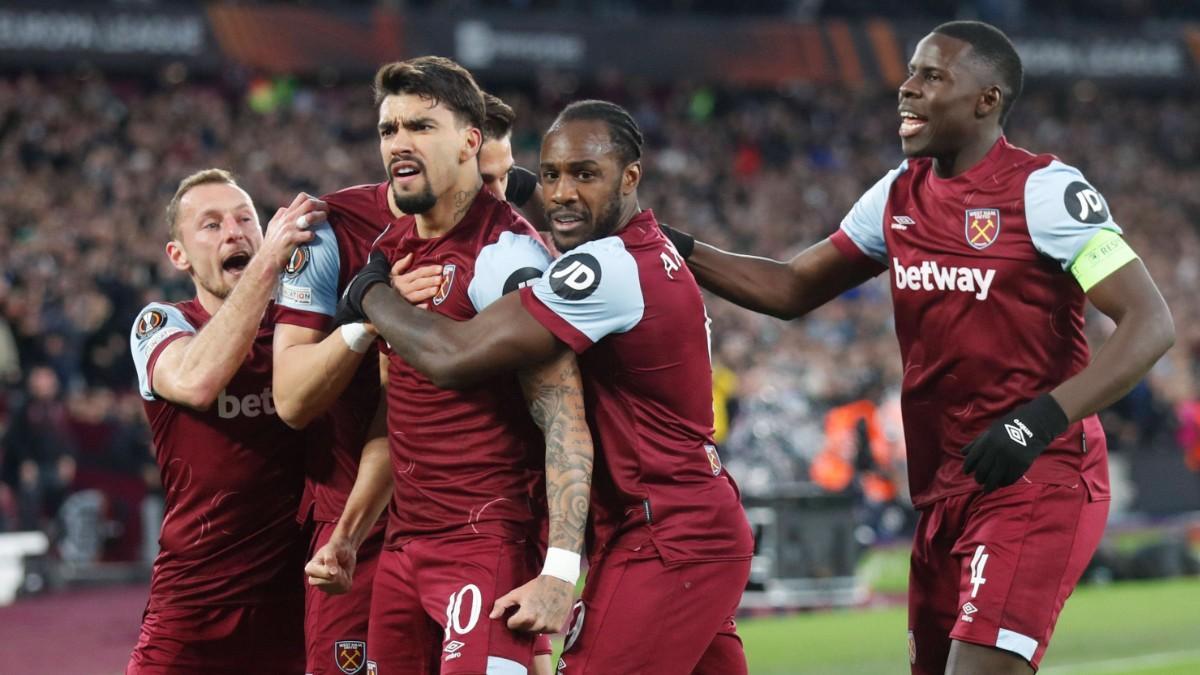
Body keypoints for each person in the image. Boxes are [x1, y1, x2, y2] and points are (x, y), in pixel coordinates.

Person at [658, 20, 1175, 675]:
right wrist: (668, 241)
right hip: (942, 490)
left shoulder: (1044, 191)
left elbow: (1149, 322)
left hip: (1037, 476)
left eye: (933, 76)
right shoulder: (898, 193)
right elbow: (790, 287)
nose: (907, 87)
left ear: (986, 100)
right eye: (910, 72)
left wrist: (1038, 419)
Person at [336, 99, 755, 674]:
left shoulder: (606, 267)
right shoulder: (651, 253)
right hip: (679, 525)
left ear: (631, 177)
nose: (559, 193)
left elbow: (452, 356)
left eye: (585, 175)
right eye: (552, 175)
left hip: (664, 537)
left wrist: (368, 290)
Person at [303, 56, 593, 675]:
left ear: (469, 142)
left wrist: (559, 572)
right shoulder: (393, 251)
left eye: (421, 127)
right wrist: (350, 536)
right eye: (389, 130)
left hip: (484, 544)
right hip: (404, 554)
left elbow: (565, 421)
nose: (400, 144)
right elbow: (396, 412)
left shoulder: (507, 257)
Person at [126, 169, 321, 673]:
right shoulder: (163, 323)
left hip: (299, 604)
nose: (234, 232)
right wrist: (267, 266)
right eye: (211, 225)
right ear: (179, 255)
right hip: (194, 604)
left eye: (244, 219)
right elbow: (196, 382)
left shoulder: (304, 330)